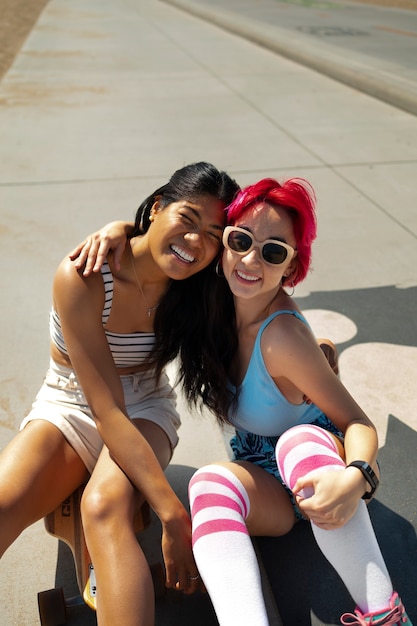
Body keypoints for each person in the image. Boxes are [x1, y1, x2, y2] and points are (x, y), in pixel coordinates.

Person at [0, 161, 240, 626]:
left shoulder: (196, 287)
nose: (196, 242)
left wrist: (313, 349)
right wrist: (173, 515)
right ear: (157, 207)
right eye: (187, 219)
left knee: (103, 506)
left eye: (213, 234)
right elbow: (104, 409)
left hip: (146, 404)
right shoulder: (85, 274)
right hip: (70, 401)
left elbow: (261, 285)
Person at [184, 177, 412, 626]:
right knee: (207, 483)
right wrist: (118, 231)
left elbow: (357, 423)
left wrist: (355, 478)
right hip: (265, 477)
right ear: (223, 245)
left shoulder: (283, 338)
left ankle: (387, 616)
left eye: (273, 251)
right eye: (241, 240)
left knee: (298, 441)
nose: (251, 259)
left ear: (290, 268)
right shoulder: (209, 305)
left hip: (317, 469)